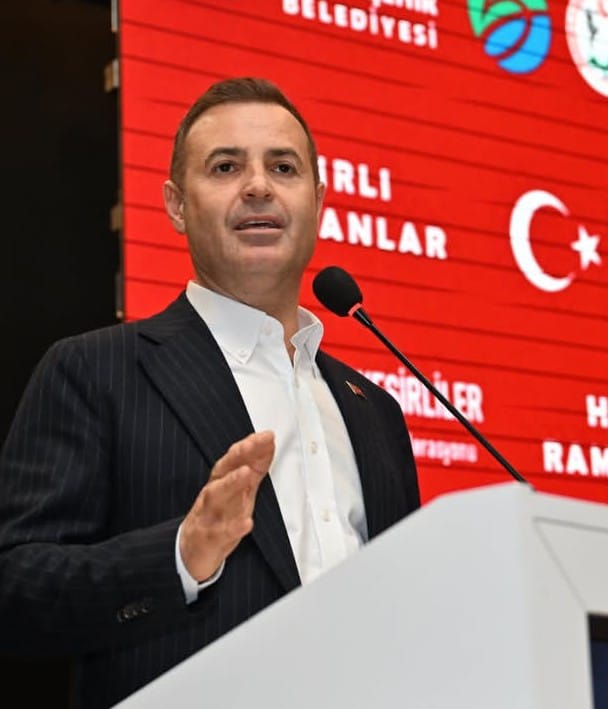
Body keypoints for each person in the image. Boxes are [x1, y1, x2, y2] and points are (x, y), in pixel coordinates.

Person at [0, 77, 420, 708]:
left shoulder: (376, 411)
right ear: (176, 205)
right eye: (226, 167)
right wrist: (179, 556)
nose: (258, 186)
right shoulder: (94, 371)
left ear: (317, 201)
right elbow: (15, 590)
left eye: (283, 167)